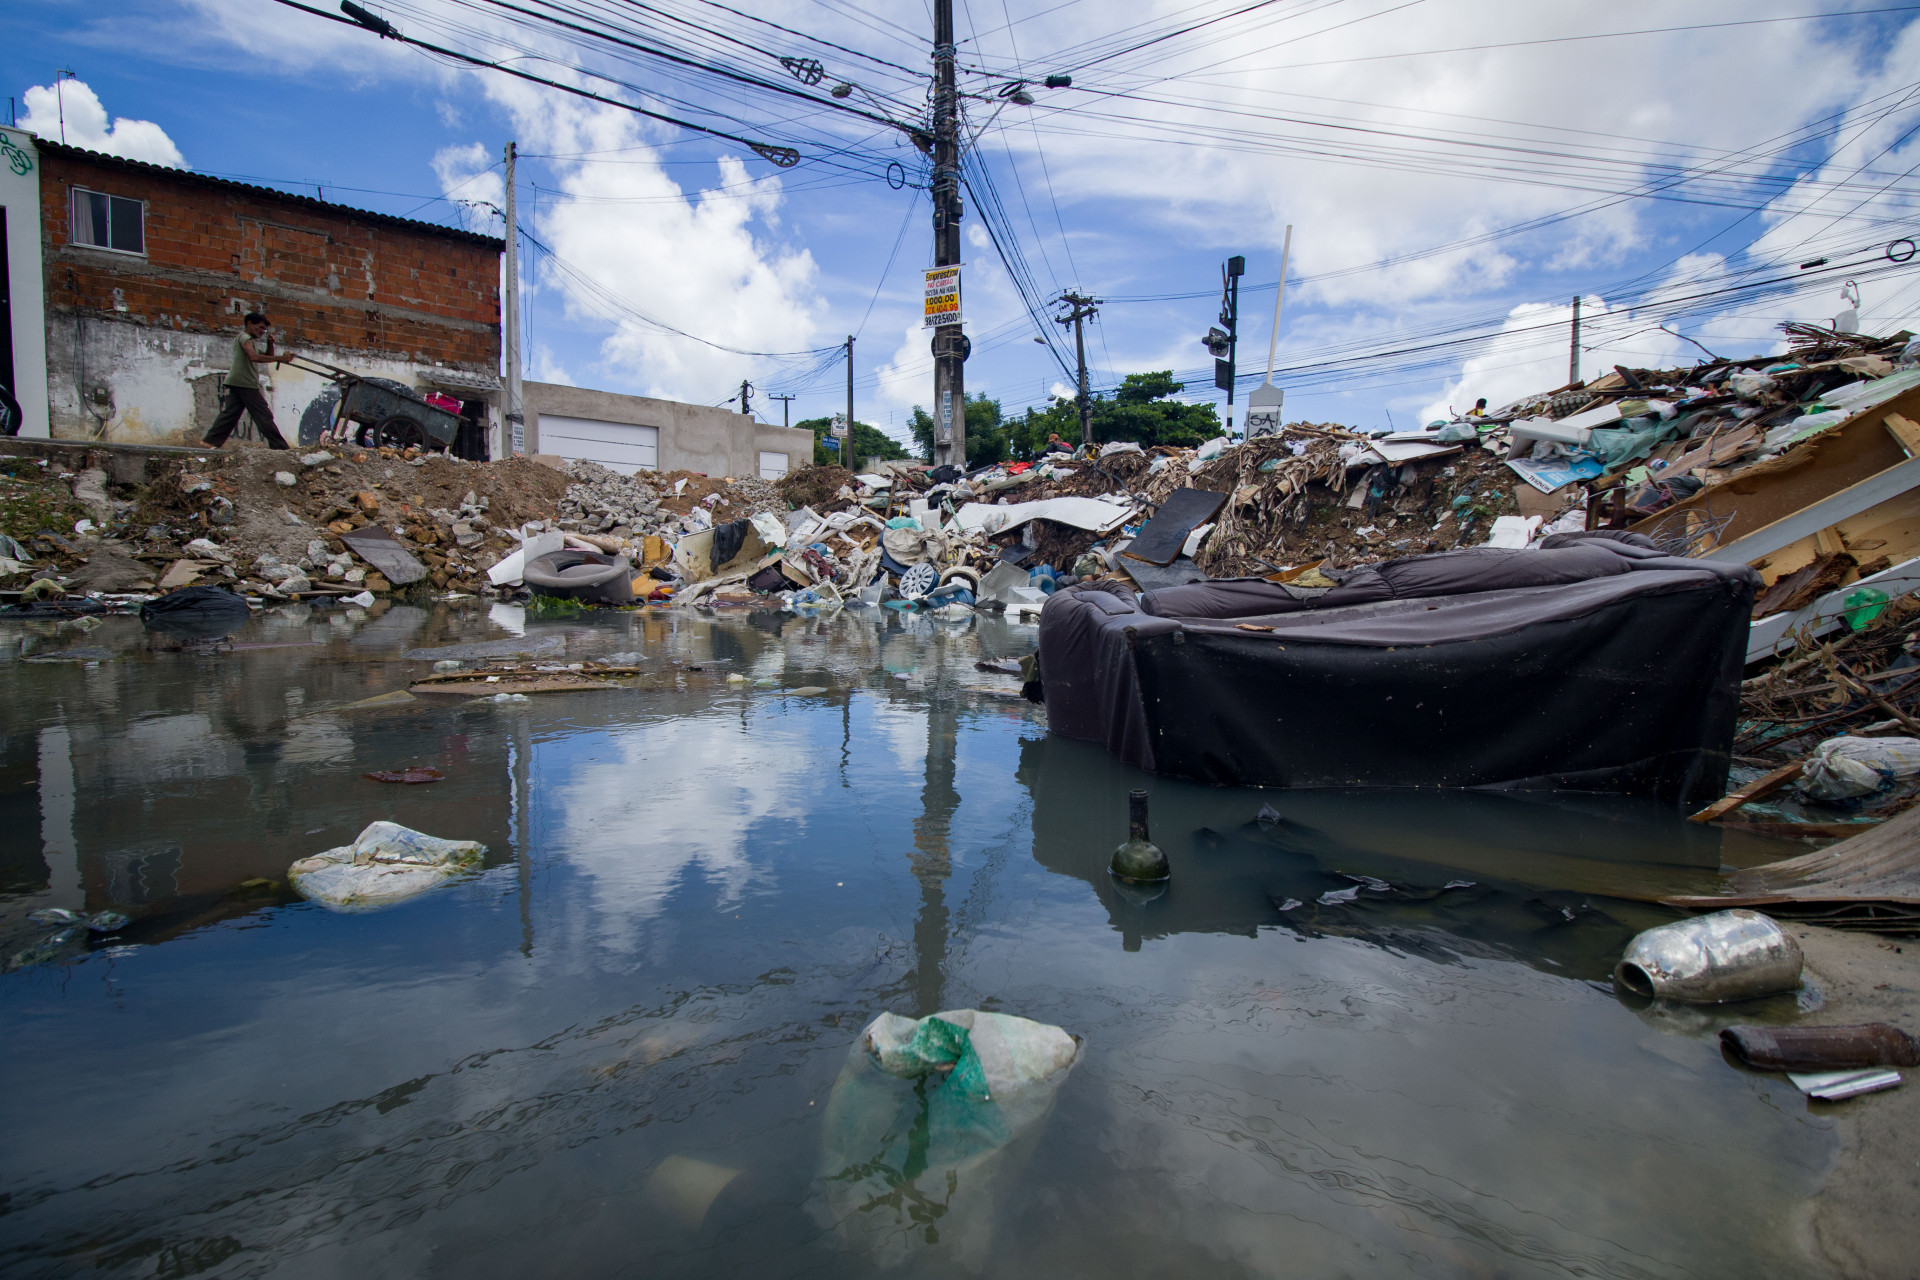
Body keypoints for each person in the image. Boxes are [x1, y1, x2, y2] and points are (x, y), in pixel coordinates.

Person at [203, 313, 293, 449]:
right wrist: (281, 358)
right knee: (264, 415)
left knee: (230, 414)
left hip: (238, 382)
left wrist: (270, 344)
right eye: (260, 327)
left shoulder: (251, 341)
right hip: (245, 383)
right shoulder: (245, 338)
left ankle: (210, 441)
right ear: (250, 324)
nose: (262, 331)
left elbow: (266, 357)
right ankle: (280, 447)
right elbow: (253, 357)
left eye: (264, 329)